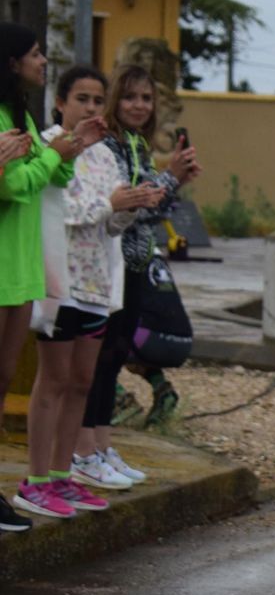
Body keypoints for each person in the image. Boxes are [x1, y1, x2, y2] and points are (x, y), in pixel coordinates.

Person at [12, 66, 161, 521]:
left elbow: (109, 224)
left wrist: (130, 207)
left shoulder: (105, 155)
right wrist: (108, 206)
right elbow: (61, 211)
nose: (91, 109)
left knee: (81, 381)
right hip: (63, 281)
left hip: (97, 283)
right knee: (52, 382)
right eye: (82, 99)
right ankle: (35, 479)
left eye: (98, 101)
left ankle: (63, 474)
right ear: (60, 102)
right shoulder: (50, 144)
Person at [1, 23, 107, 532]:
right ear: (11, 61)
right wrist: (51, 156)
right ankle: (29, 483)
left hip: (21, 265)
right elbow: (13, 186)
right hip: (4, 261)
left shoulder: (20, 114)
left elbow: (50, 176)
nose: (43, 61)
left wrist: (72, 150)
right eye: (35, 54)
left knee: (3, 380)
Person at [76, 63, 198, 487]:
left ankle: (102, 446)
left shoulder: (135, 144)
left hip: (135, 263)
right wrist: (171, 178)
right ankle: (84, 451)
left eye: (146, 98)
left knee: (115, 356)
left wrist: (172, 181)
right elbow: (135, 203)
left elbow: (155, 207)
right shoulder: (108, 146)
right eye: (130, 97)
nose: (139, 105)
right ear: (115, 102)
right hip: (109, 263)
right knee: (100, 358)